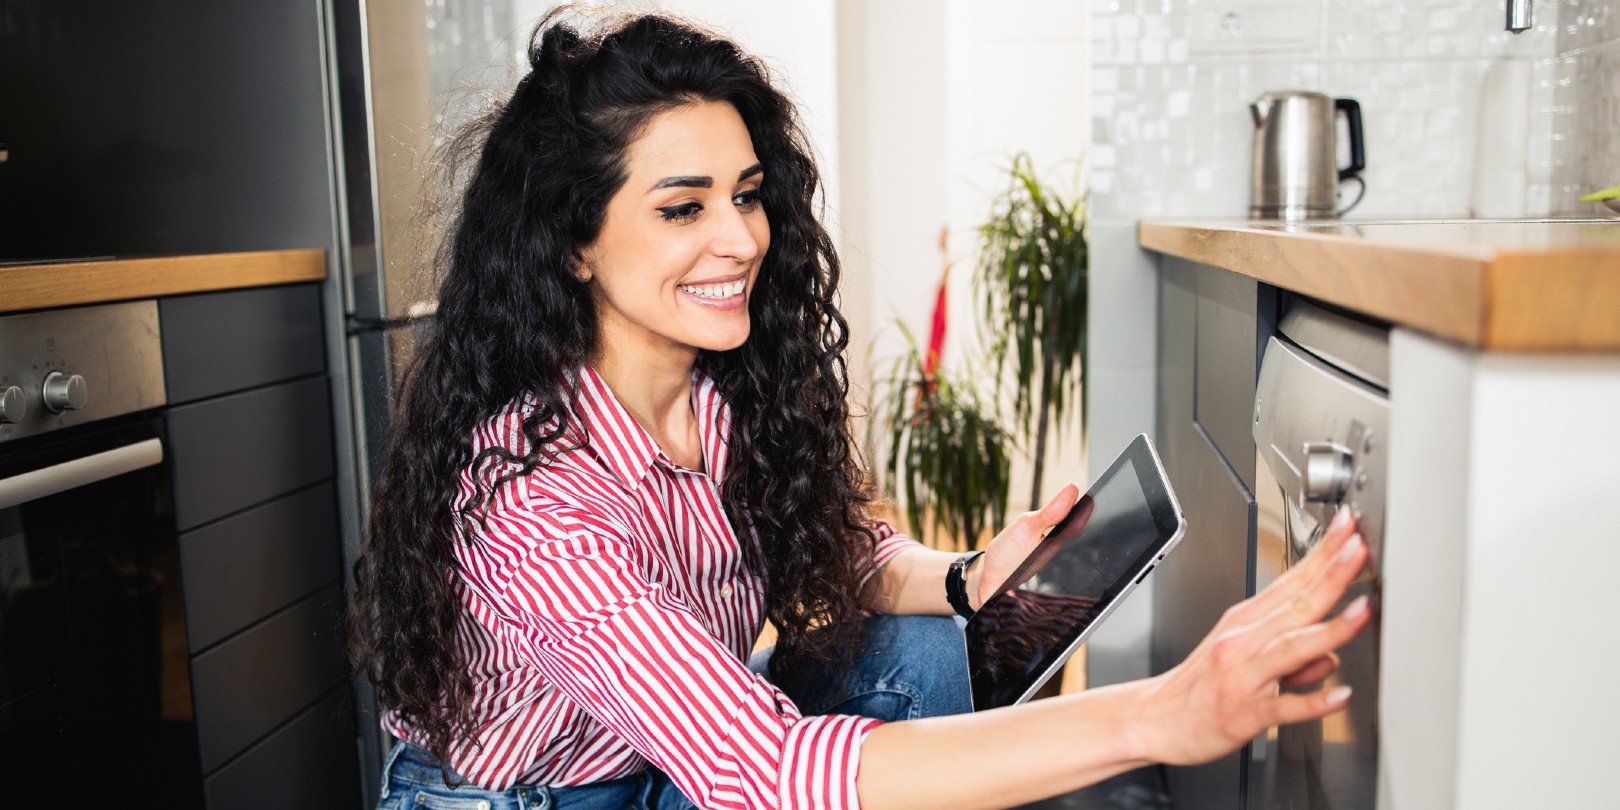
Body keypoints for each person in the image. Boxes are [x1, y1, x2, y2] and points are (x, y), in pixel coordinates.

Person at [348, 9, 1371, 810]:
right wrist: (1157, 713)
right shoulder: (526, 498)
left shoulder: (716, 397)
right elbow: (760, 770)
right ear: (571, 241)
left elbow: (840, 549)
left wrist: (973, 579)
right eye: (681, 208)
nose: (741, 239)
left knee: (932, 653)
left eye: (747, 195)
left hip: (652, 772)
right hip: (526, 803)